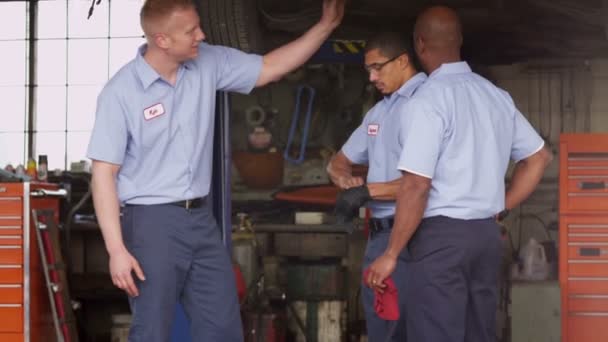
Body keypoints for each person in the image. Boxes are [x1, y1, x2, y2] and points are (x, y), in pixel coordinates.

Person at [86, 0, 345, 341]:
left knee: (222, 327)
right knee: (152, 330)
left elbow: (269, 67)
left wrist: (324, 27)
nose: (202, 35)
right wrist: (117, 250)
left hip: (201, 220)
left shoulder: (207, 62)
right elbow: (103, 174)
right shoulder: (120, 93)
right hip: (151, 223)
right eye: (191, 31)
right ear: (162, 40)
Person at [365, 6, 553, 342]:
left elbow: (417, 184)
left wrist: (391, 254)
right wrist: (500, 206)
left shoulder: (427, 100)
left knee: (437, 333)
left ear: (420, 44)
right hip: (485, 236)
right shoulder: (496, 96)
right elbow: (539, 158)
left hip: (441, 240)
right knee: (478, 333)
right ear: (460, 41)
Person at [327, 32, 426, 342]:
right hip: (378, 237)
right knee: (382, 327)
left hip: (415, 233)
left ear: (402, 61)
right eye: (367, 70)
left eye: (378, 67)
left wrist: (367, 191)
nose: (371, 77)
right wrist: (345, 179)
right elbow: (337, 162)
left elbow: (424, 182)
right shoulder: (379, 112)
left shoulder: (426, 104)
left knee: (409, 328)